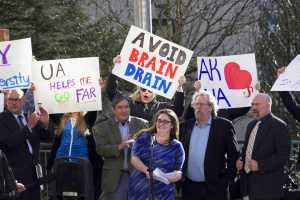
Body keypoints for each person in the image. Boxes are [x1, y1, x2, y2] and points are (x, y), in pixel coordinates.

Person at [179, 90, 238, 200]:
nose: (197, 107)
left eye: (201, 104)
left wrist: (227, 180)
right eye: (195, 104)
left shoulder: (224, 126)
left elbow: (233, 154)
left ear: (210, 107)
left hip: (215, 188)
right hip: (189, 188)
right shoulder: (186, 126)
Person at [93, 94, 148, 200]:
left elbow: (149, 147)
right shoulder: (102, 127)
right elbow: (100, 149)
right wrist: (120, 146)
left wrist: (137, 145)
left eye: (126, 107)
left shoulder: (142, 124)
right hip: (115, 176)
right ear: (113, 110)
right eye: (120, 107)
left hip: (136, 174)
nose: (124, 110)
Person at [236, 93, 290, 200]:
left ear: (268, 105)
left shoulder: (279, 126)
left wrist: (260, 165)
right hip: (247, 187)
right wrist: (241, 160)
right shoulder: (251, 125)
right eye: (252, 105)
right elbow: (247, 150)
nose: (254, 108)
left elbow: (283, 157)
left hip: (268, 189)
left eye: (257, 105)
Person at [0, 89, 52, 200]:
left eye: (17, 99)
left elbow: (47, 138)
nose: (14, 102)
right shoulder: (2, 119)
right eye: (10, 99)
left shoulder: (30, 117)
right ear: (6, 102)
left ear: (23, 101)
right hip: (13, 175)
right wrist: (28, 127)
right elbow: (8, 142)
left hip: (34, 173)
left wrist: (46, 123)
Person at [106, 55, 185, 122]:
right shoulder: (130, 103)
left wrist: (179, 87)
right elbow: (111, 92)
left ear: (155, 92)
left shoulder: (161, 108)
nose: (146, 92)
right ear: (139, 90)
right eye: (143, 89)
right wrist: (116, 67)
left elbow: (177, 111)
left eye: (150, 90)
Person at [128, 108, 185, 200]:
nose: (161, 123)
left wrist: (165, 177)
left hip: (163, 194)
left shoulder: (177, 146)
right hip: (139, 191)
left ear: (172, 125)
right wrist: (147, 171)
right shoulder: (144, 136)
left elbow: (178, 172)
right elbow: (134, 158)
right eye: (159, 120)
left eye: (166, 121)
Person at [47, 111, 103, 200]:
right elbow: (50, 108)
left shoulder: (86, 119)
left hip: (80, 162)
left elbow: (94, 107)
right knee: (61, 192)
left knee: (81, 192)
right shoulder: (62, 119)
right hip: (62, 160)